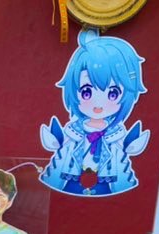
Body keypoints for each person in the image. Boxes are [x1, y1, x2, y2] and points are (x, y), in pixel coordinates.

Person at [40, 29, 149, 197]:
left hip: (106, 186)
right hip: (70, 182)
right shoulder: (73, 132)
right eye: (86, 92)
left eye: (113, 94)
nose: (98, 104)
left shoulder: (116, 136)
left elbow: (124, 168)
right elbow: (58, 159)